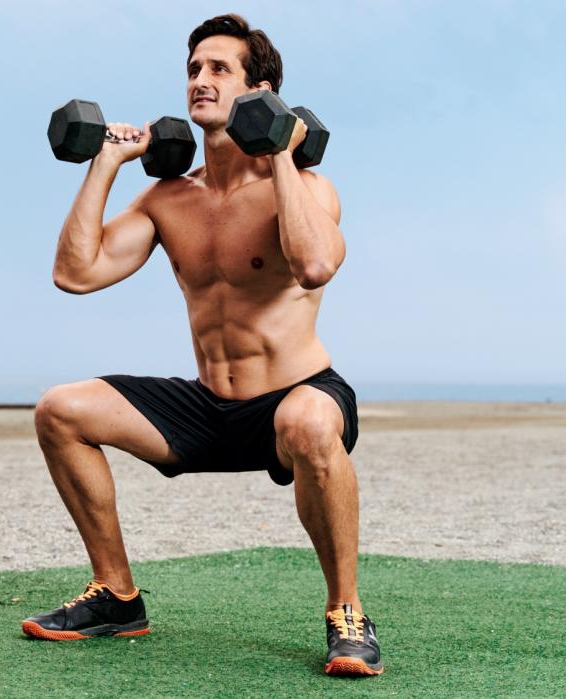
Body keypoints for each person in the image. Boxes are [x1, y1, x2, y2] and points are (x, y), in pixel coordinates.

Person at [21, 14, 383, 677]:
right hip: (208, 407)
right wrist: (106, 163)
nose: (200, 80)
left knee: (307, 421)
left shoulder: (305, 189)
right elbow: (75, 273)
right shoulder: (170, 199)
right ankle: (117, 596)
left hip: (293, 400)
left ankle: (347, 612)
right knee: (60, 409)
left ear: (261, 91)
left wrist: (278, 151)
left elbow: (315, 266)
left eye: (219, 69)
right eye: (193, 69)